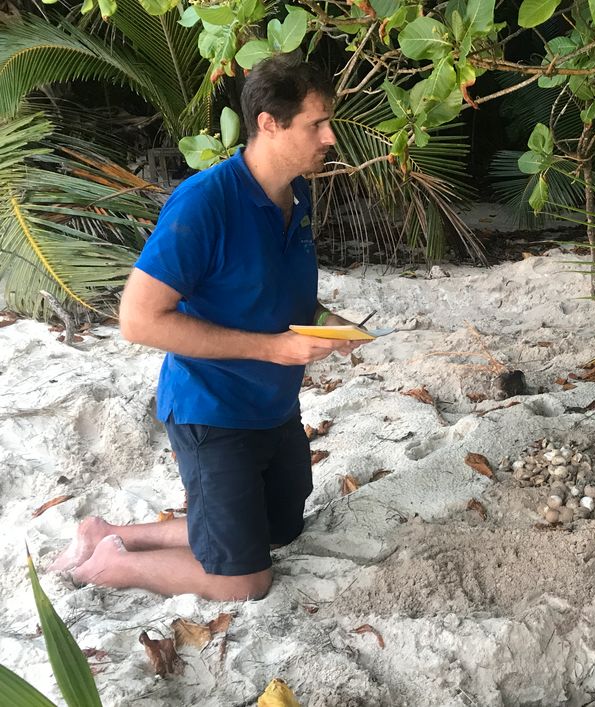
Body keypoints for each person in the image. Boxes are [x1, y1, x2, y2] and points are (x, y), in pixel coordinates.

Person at [50, 53, 366, 600]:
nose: (330, 137)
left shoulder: (297, 193)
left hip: (274, 407)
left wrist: (323, 321)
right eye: (316, 123)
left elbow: (274, 289)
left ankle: (113, 534)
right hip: (212, 412)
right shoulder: (204, 204)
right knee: (247, 580)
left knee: (280, 532)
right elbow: (137, 320)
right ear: (269, 123)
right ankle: (107, 566)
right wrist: (272, 350)